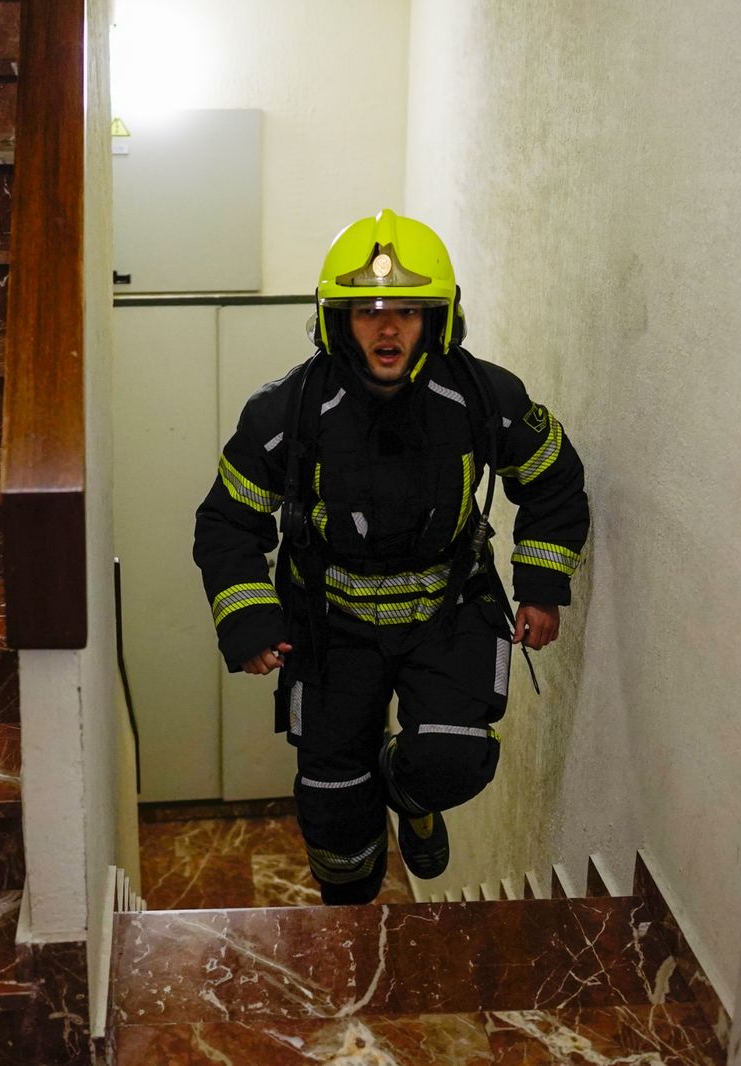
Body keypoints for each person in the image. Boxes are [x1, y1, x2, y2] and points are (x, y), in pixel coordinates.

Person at [192, 209, 590, 904]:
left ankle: (408, 795)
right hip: (329, 627)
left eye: (407, 311)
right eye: (367, 310)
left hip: (449, 607)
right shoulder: (283, 413)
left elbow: (554, 480)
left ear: (438, 320)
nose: (386, 329)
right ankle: (351, 929)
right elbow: (226, 521)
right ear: (333, 320)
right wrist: (250, 620)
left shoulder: (482, 397)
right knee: (335, 810)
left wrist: (542, 586)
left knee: (452, 758)